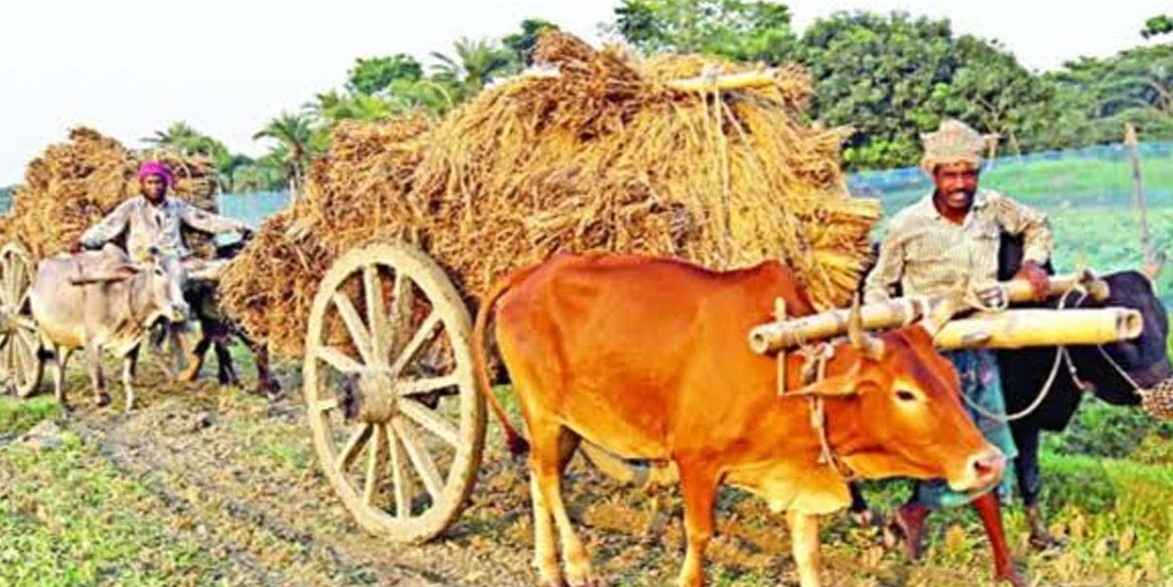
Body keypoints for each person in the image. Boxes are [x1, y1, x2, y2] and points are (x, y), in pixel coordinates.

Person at [863, 119, 1052, 587]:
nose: (961, 185)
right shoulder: (907, 225)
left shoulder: (993, 208)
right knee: (961, 448)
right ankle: (997, 559)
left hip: (980, 345)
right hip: (932, 356)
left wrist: (1033, 263)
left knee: (989, 450)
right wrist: (889, 336)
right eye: (951, 175)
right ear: (933, 175)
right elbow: (877, 285)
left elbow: (1037, 224)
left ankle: (923, 517)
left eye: (969, 174)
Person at [73, 160, 252, 281]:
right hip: (145, 264)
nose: (154, 187)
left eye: (158, 182)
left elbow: (202, 219)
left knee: (224, 270)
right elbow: (109, 226)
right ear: (142, 185)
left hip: (179, 260)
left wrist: (238, 227)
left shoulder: (175, 205)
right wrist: (84, 241)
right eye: (149, 183)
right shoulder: (132, 207)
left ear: (165, 184)